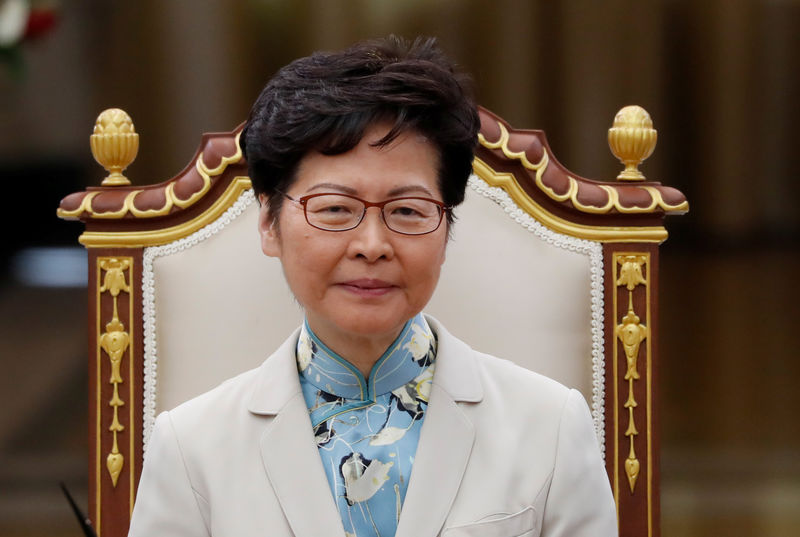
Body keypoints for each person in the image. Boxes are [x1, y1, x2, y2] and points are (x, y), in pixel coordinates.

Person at [128, 36, 617, 537]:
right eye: (335, 208)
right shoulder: (191, 447)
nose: (372, 244)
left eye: (407, 211)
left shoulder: (550, 425)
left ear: (446, 229)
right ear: (269, 225)